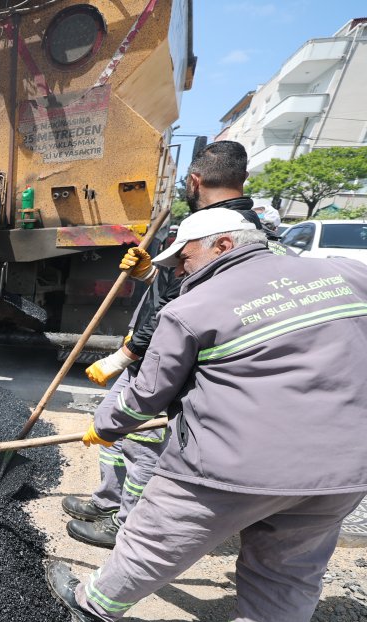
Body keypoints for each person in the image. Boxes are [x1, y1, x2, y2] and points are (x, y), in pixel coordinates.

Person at [46, 207, 367, 622]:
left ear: (222, 245)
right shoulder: (343, 274)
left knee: (157, 539)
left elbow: (147, 396)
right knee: (289, 570)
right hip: (342, 469)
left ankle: (94, 606)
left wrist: (104, 428)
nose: (178, 269)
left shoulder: (194, 307)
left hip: (231, 464)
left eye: (185, 256)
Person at [64, 140, 269, 549]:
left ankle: (125, 525)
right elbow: (174, 290)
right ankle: (108, 501)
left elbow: (177, 310)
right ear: (242, 179)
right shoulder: (237, 226)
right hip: (157, 353)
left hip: (173, 360)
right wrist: (147, 275)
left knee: (141, 444)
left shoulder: (218, 231)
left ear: (194, 180)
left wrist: (125, 355)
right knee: (114, 428)